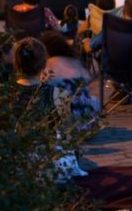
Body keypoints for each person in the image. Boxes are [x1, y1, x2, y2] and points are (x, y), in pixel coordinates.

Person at [10, 37, 95, 183]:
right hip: (46, 163)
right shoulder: (58, 94)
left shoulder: (3, 94)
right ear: (44, 63)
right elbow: (69, 133)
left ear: (16, 63)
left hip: (14, 164)